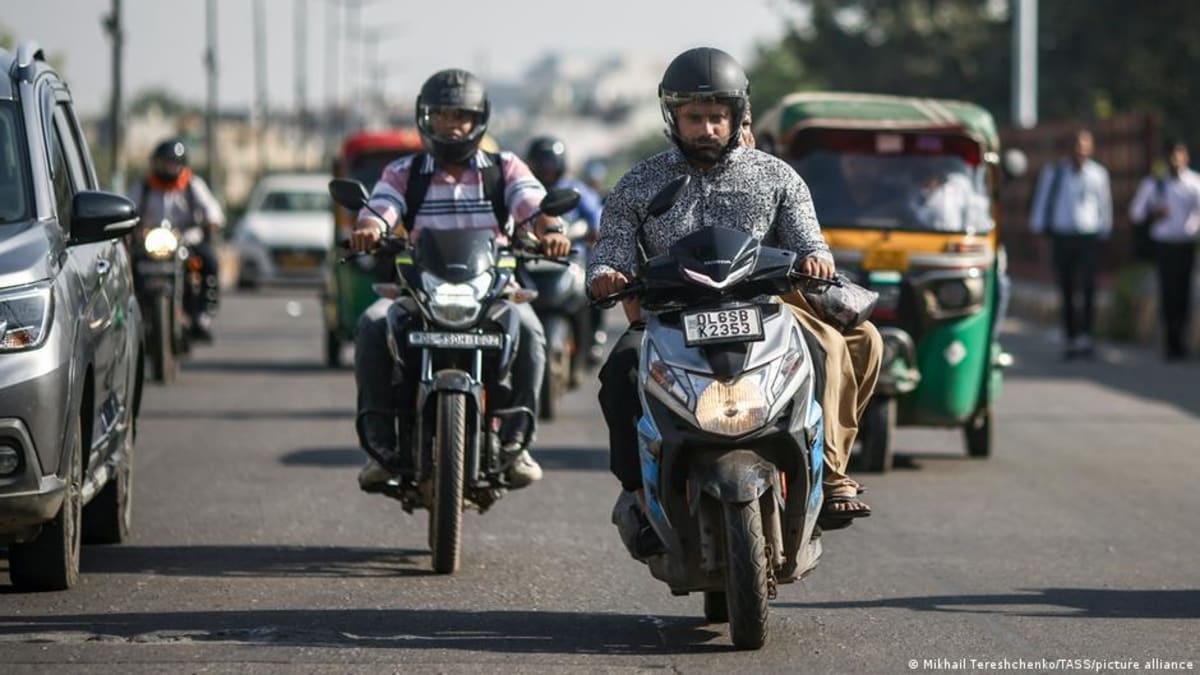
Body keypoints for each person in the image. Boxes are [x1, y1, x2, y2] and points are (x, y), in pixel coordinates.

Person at [588, 47, 882, 551]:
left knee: (839, 347)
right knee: (621, 371)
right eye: (695, 117)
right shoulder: (639, 182)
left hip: (766, 310)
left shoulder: (777, 176)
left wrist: (815, 259)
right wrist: (606, 274)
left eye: (717, 117)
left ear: (737, 116)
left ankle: (830, 474)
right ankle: (638, 496)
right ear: (673, 117)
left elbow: (809, 240)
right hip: (670, 317)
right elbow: (610, 248)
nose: (706, 128)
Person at [350, 69, 572, 491]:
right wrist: (371, 228)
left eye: (462, 116)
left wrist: (552, 231)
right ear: (425, 119)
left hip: (492, 293)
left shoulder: (503, 168)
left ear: (479, 120)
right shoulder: (405, 171)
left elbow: (533, 203)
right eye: (443, 115)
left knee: (531, 330)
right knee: (373, 324)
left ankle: (517, 442)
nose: (452, 125)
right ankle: (379, 446)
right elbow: (382, 207)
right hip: (419, 292)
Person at [1028, 129, 1113, 360]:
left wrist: (1105, 232)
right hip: (1062, 235)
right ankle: (1070, 337)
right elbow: (1042, 201)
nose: (1080, 152)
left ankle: (1086, 336)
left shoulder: (1098, 174)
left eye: (1085, 147)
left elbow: (1104, 205)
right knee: (1066, 288)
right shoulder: (1054, 172)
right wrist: (1039, 229)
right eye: (1077, 146)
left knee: (1088, 287)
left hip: (1088, 235)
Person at [128, 139, 225, 342]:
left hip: (186, 242)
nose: (167, 167)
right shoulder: (144, 187)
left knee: (209, 261)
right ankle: (133, 316)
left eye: (172, 162)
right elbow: (129, 210)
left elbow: (212, 210)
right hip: (150, 245)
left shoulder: (192, 185)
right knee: (129, 267)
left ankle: (202, 315)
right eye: (163, 162)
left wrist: (212, 221)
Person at [525, 136, 608, 364]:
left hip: (572, 260)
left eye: (551, 164)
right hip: (529, 262)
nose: (547, 170)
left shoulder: (574, 189)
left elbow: (596, 215)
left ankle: (594, 337)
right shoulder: (525, 191)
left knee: (596, 288)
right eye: (541, 164)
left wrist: (597, 231)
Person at [1129, 139, 1200, 360]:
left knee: (1184, 293)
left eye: (1179, 154)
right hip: (1164, 245)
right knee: (1168, 293)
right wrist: (1154, 214)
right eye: (1171, 155)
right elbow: (1136, 213)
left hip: (1186, 244)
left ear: (1186, 157)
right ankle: (1170, 343)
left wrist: (1193, 225)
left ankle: (1182, 342)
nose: (1175, 160)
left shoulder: (1194, 183)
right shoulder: (1155, 184)